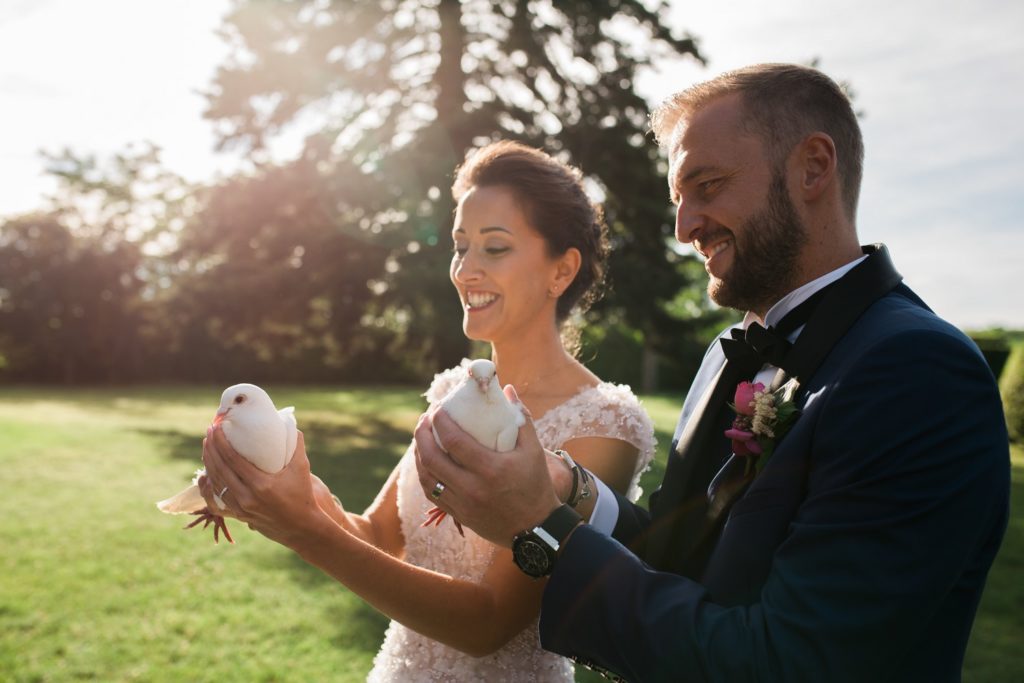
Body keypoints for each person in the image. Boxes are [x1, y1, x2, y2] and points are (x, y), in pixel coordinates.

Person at [414, 64, 1011, 682]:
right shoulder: (730, 353)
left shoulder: (918, 373)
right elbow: (682, 553)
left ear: (813, 167)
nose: (684, 228)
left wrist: (535, 526)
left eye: (708, 185)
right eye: (679, 200)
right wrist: (565, 489)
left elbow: (787, 663)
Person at [198, 140, 656, 681]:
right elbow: (373, 537)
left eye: (495, 248)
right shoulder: (450, 392)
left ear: (562, 270)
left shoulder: (603, 426)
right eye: (461, 246)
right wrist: (283, 484)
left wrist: (303, 530)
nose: (465, 270)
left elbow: (487, 624)